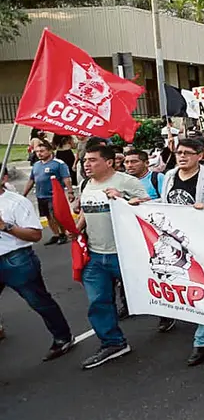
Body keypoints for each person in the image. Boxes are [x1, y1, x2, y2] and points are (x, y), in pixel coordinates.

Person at [149, 137, 204, 363]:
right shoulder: (170, 176)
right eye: (179, 153)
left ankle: (202, 340)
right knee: (185, 283)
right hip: (176, 240)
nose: (182, 157)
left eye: (187, 153)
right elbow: (164, 203)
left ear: (199, 155)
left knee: (201, 284)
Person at [77, 144, 150, 369]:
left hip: (125, 254)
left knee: (151, 292)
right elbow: (85, 212)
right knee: (98, 301)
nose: (86, 165)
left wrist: (123, 200)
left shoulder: (126, 182)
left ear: (109, 162)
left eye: (92, 160)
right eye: (85, 161)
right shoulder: (86, 184)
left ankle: (170, 315)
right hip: (96, 255)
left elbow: (149, 210)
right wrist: (76, 228)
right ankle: (113, 343)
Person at [0, 168, 75, 362]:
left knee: (39, 301)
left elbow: (35, 235)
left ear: (4, 178)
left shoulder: (17, 203)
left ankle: (62, 337)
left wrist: (5, 226)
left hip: (16, 260)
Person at [24, 140, 73, 245]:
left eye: (42, 151)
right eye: (37, 152)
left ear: (50, 151)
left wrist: (70, 192)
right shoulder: (36, 165)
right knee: (48, 216)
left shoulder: (59, 164)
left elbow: (66, 178)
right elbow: (31, 180)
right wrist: (24, 194)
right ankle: (55, 234)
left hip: (54, 195)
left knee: (56, 215)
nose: (39, 154)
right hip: (41, 195)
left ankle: (63, 234)